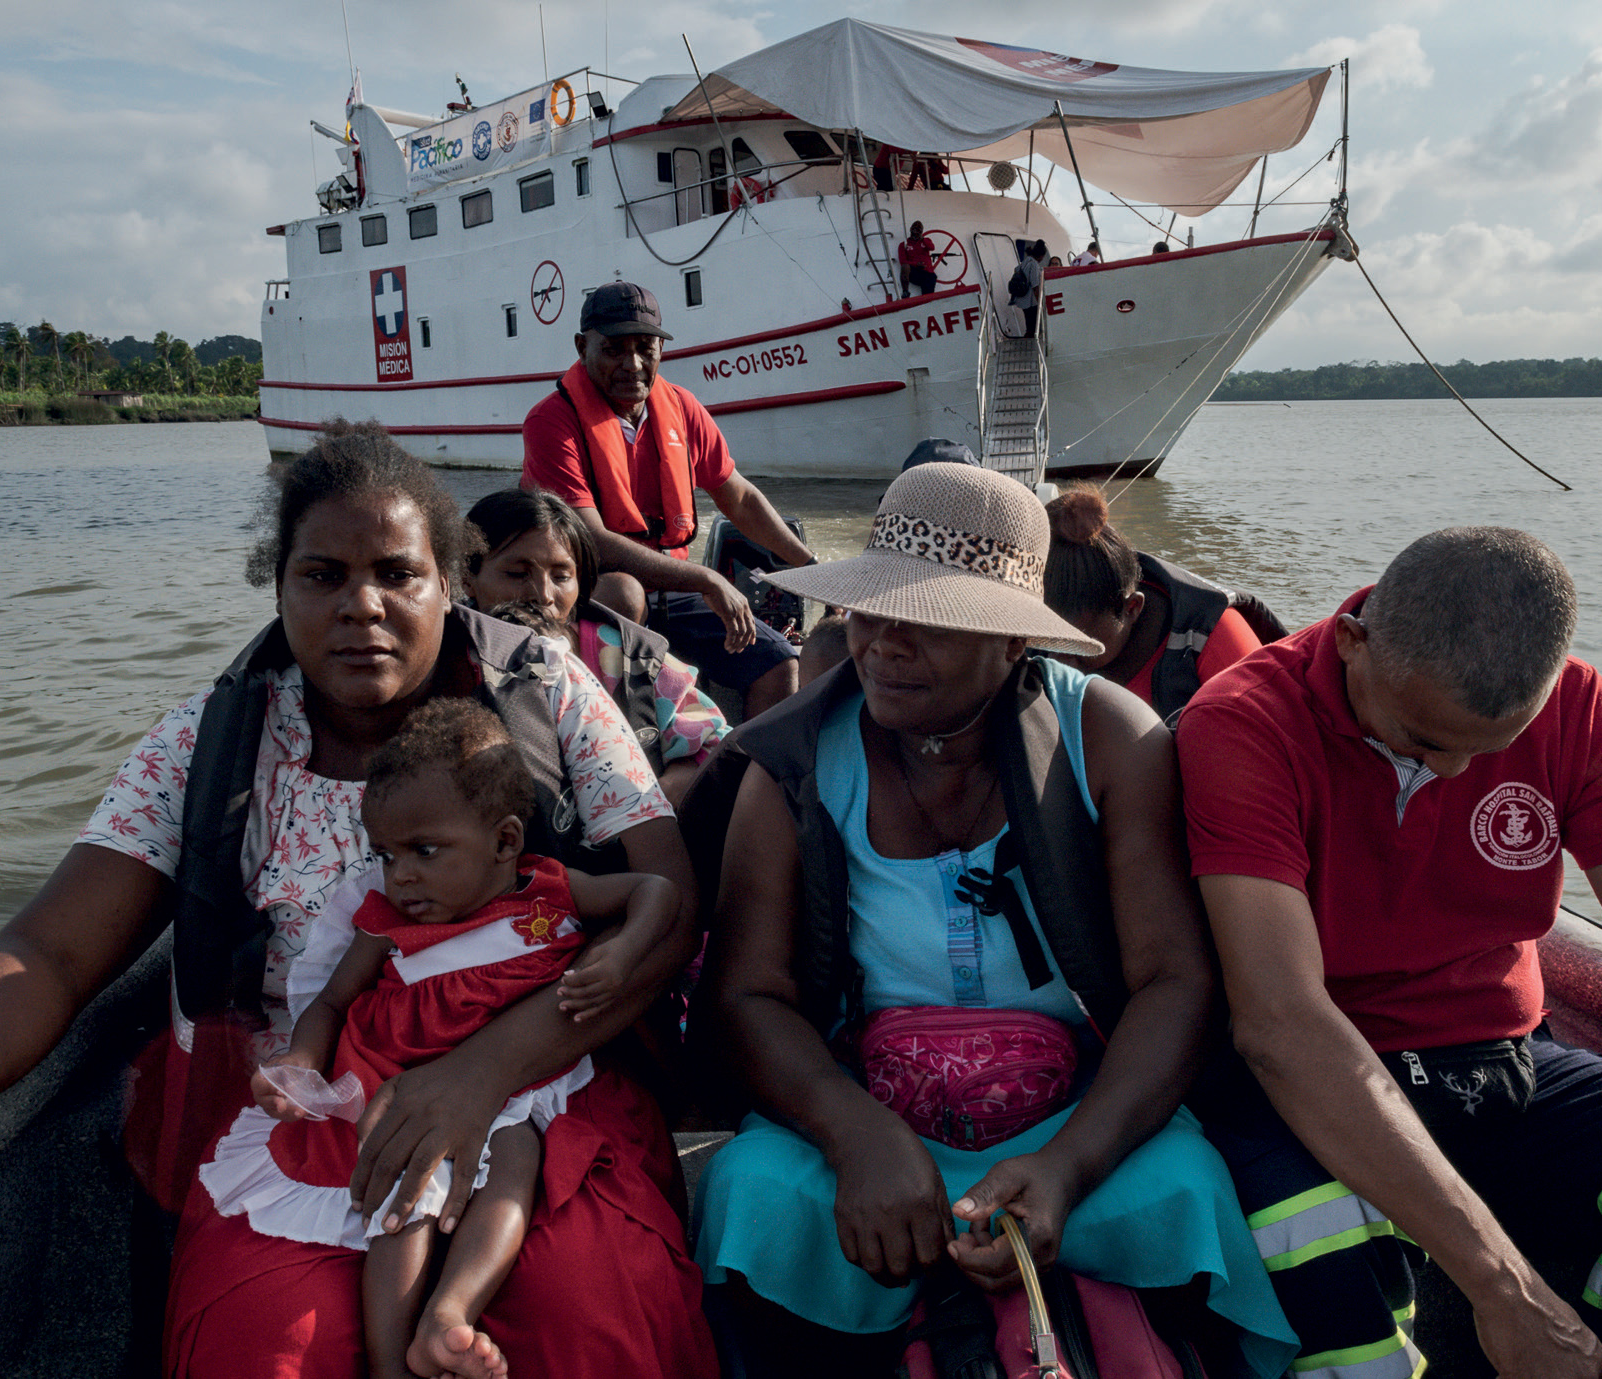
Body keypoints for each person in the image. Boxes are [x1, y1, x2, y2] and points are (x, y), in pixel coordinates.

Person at [0, 422, 718, 1379]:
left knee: (592, 1312)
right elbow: (50, 949)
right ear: (277, 589)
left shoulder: (546, 690)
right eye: (323, 574)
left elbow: (663, 896)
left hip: (545, 1089)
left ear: (446, 586)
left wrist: (484, 1066)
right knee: (263, 1343)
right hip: (309, 1113)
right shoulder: (209, 740)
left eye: (396, 573)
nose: (360, 603)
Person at [1176, 527, 1602, 1379]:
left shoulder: (1577, 708)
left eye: (1481, 750)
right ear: (1351, 641)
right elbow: (1281, 1021)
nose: (1446, 772)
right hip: (1316, 1085)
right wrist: (1504, 1289)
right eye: (1418, 739)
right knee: (1316, 1238)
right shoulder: (1242, 723)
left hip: (1495, 1068)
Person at [690, 462, 1297, 1379]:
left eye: (929, 618)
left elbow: (1174, 981)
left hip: (1072, 1112)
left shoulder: (1111, 737)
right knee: (748, 1191)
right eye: (870, 608)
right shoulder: (791, 764)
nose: (884, 643)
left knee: (1185, 1184)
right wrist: (860, 1138)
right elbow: (746, 994)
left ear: (1014, 642)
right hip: (864, 1103)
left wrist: (1065, 1166)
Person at [203, 699, 680, 1379]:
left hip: (512, 1087)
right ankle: (389, 1356)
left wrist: (621, 952)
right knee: (406, 1191)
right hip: (407, 1081)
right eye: (387, 854)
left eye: (424, 851)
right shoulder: (383, 919)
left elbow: (656, 892)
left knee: (515, 1165)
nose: (400, 875)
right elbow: (333, 999)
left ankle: (446, 1315)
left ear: (505, 841)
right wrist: (301, 1062)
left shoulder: (548, 891)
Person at [522, 282, 816, 720]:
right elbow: (592, 543)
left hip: (671, 595)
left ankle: (748, 780)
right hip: (589, 594)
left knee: (779, 664)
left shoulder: (681, 407)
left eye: (646, 347)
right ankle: (618, 736)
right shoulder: (551, 423)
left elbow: (739, 498)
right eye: (615, 349)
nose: (633, 364)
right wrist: (706, 579)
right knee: (624, 592)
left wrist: (812, 569)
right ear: (583, 347)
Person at [465, 487, 729, 807]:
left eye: (561, 576)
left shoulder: (631, 658)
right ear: (468, 577)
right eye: (517, 573)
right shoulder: (445, 659)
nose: (543, 595)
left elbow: (712, 739)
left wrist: (666, 790)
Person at [1041, 487, 1289, 724]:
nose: (1058, 662)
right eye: (1049, 642)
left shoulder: (1212, 637)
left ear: (1133, 608)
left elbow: (1270, 744)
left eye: (1080, 646)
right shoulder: (1025, 637)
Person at [1003, 241, 1047, 340]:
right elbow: (1035, 285)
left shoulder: (1026, 261)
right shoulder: (1034, 265)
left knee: (1029, 322)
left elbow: (1016, 270)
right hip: (1030, 300)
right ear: (1041, 256)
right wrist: (1041, 302)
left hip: (1021, 298)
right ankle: (1031, 341)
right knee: (1034, 324)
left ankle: (1029, 338)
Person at [897, 221, 940, 298]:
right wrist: (916, 264)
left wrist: (922, 238)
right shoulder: (904, 244)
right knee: (905, 266)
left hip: (927, 272)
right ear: (911, 229)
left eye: (919, 229)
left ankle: (928, 303)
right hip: (914, 271)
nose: (916, 230)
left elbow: (932, 247)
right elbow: (903, 261)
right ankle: (905, 292)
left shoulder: (926, 240)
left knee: (928, 298)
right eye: (914, 228)